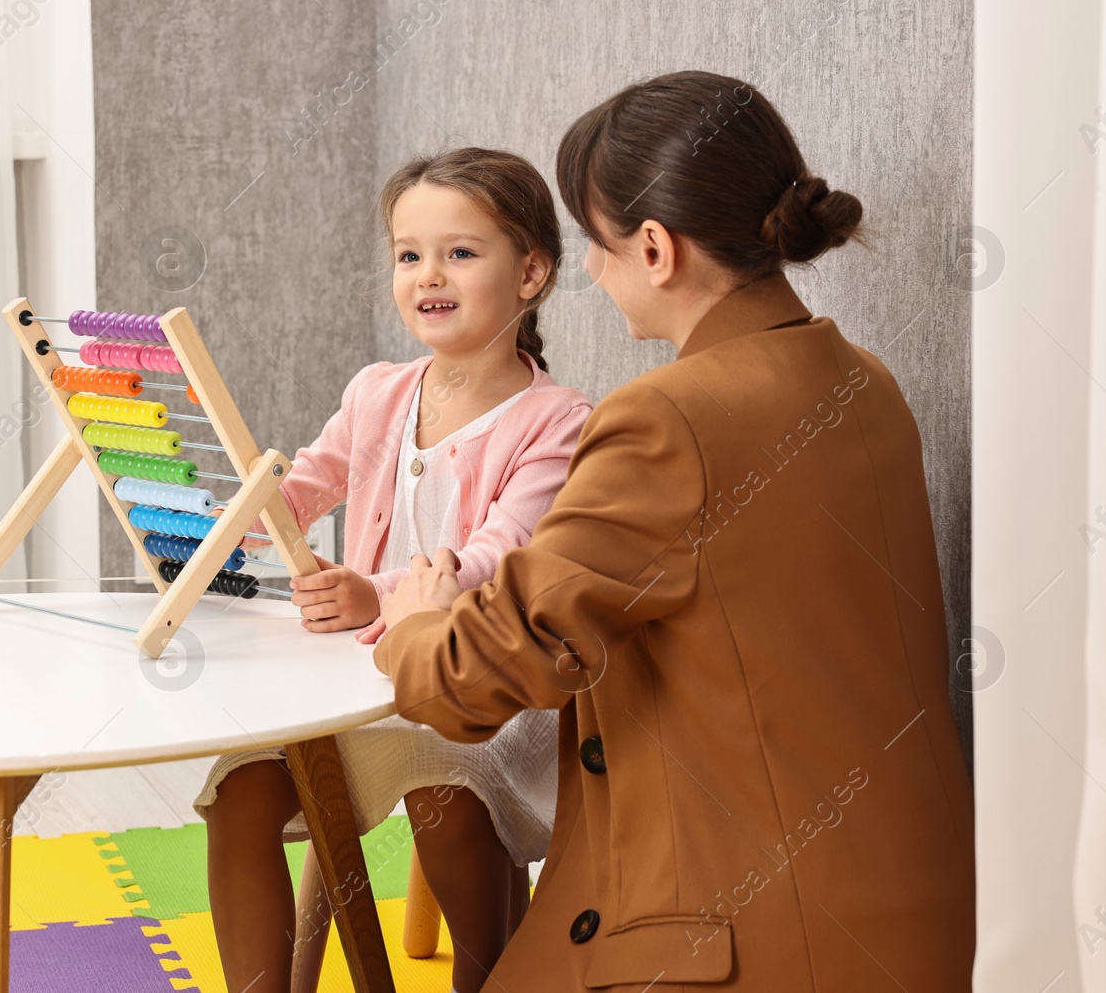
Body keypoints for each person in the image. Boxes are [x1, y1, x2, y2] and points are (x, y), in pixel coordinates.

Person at [378, 72, 977, 991]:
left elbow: (484, 673)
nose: (588, 268)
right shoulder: (862, 378)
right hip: (921, 907)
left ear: (655, 248)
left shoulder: (667, 418)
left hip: (750, 930)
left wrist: (420, 622)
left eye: (595, 242)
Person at [197, 147, 592, 993]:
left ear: (531, 271)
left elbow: (495, 559)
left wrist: (372, 592)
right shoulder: (378, 391)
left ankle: (491, 978)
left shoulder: (556, 422)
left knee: (448, 798)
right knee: (240, 793)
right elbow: (303, 482)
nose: (427, 275)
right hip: (350, 680)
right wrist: (238, 521)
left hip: (478, 690)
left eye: (459, 252)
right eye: (408, 255)